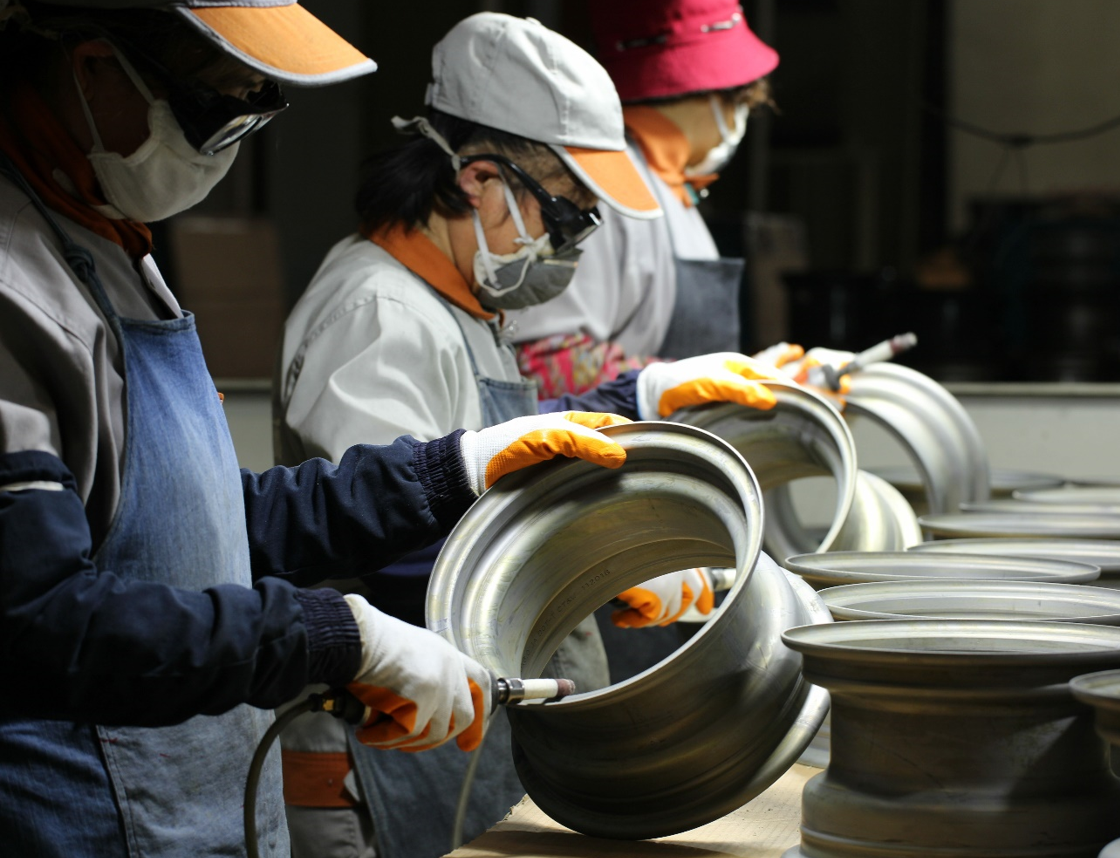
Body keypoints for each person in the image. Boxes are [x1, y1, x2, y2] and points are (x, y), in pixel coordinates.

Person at [0, 2, 640, 856]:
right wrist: (330, 635)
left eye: (258, 106)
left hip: (196, 794)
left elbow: (203, 527)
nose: (232, 142)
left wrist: (451, 469)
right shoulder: (19, 278)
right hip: (89, 817)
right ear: (92, 70)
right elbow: (38, 618)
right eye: (220, 103)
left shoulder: (111, 248)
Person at [274, 13, 787, 856]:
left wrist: (635, 396)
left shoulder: (460, 304)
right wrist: (599, 563)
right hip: (379, 755)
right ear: (480, 181)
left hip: (459, 736)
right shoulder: (377, 313)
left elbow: (494, 460)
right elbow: (394, 539)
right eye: (566, 215)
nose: (572, 246)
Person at [509, 0, 780, 398]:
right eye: (740, 102)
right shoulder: (606, 187)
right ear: (706, 94)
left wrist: (756, 373)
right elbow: (542, 364)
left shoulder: (671, 187)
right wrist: (678, 381)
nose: (739, 118)